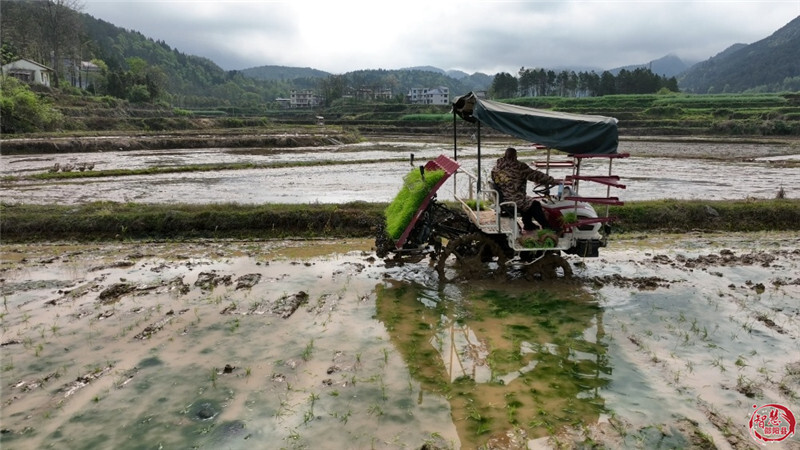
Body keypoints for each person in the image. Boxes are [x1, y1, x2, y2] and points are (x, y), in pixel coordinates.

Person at [491, 147, 556, 231]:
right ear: (515, 156)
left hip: (503, 197)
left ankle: (528, 224)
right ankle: (547, 227)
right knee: (535, 204)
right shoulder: (519, 167)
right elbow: (535, 175)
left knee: (527, 200)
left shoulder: (496, 168)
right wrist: (552, 181)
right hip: (513, 198)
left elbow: (495, 181)